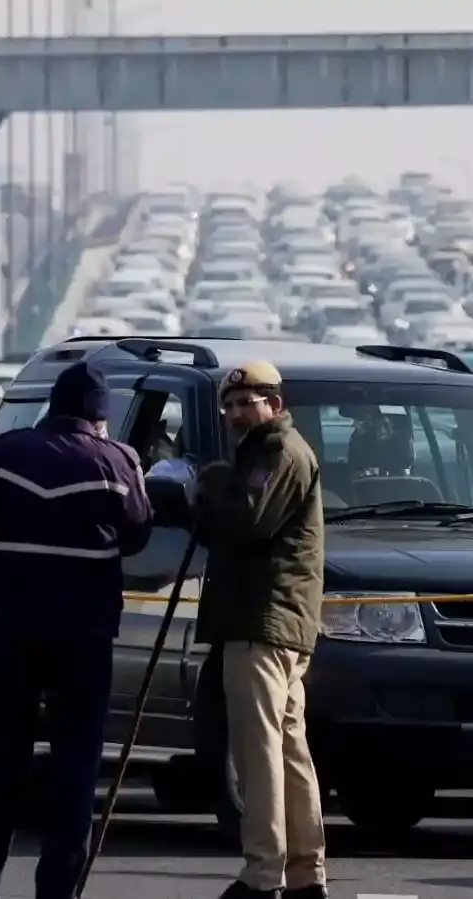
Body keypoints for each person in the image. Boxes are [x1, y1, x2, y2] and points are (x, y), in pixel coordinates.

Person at [0, 360, 153, 899]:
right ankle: (59, 888)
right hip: (82, 634)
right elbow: (137, 535)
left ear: (53, 404)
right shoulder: (116, 461)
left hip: (9, 627)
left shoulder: (2, 453)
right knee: (75, 763)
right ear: (100, 415)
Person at [194, 362, 327, 899]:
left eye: (246, 402)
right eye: (229, 405)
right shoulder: (261, 453)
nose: (235, 413)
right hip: (275, 621)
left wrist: (208, 485)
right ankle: (304, 873)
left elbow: (248, 521)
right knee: (288, 749)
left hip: (262, 622)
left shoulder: (278, 452)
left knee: (259, 751)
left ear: (274, 403)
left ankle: (263, 873)